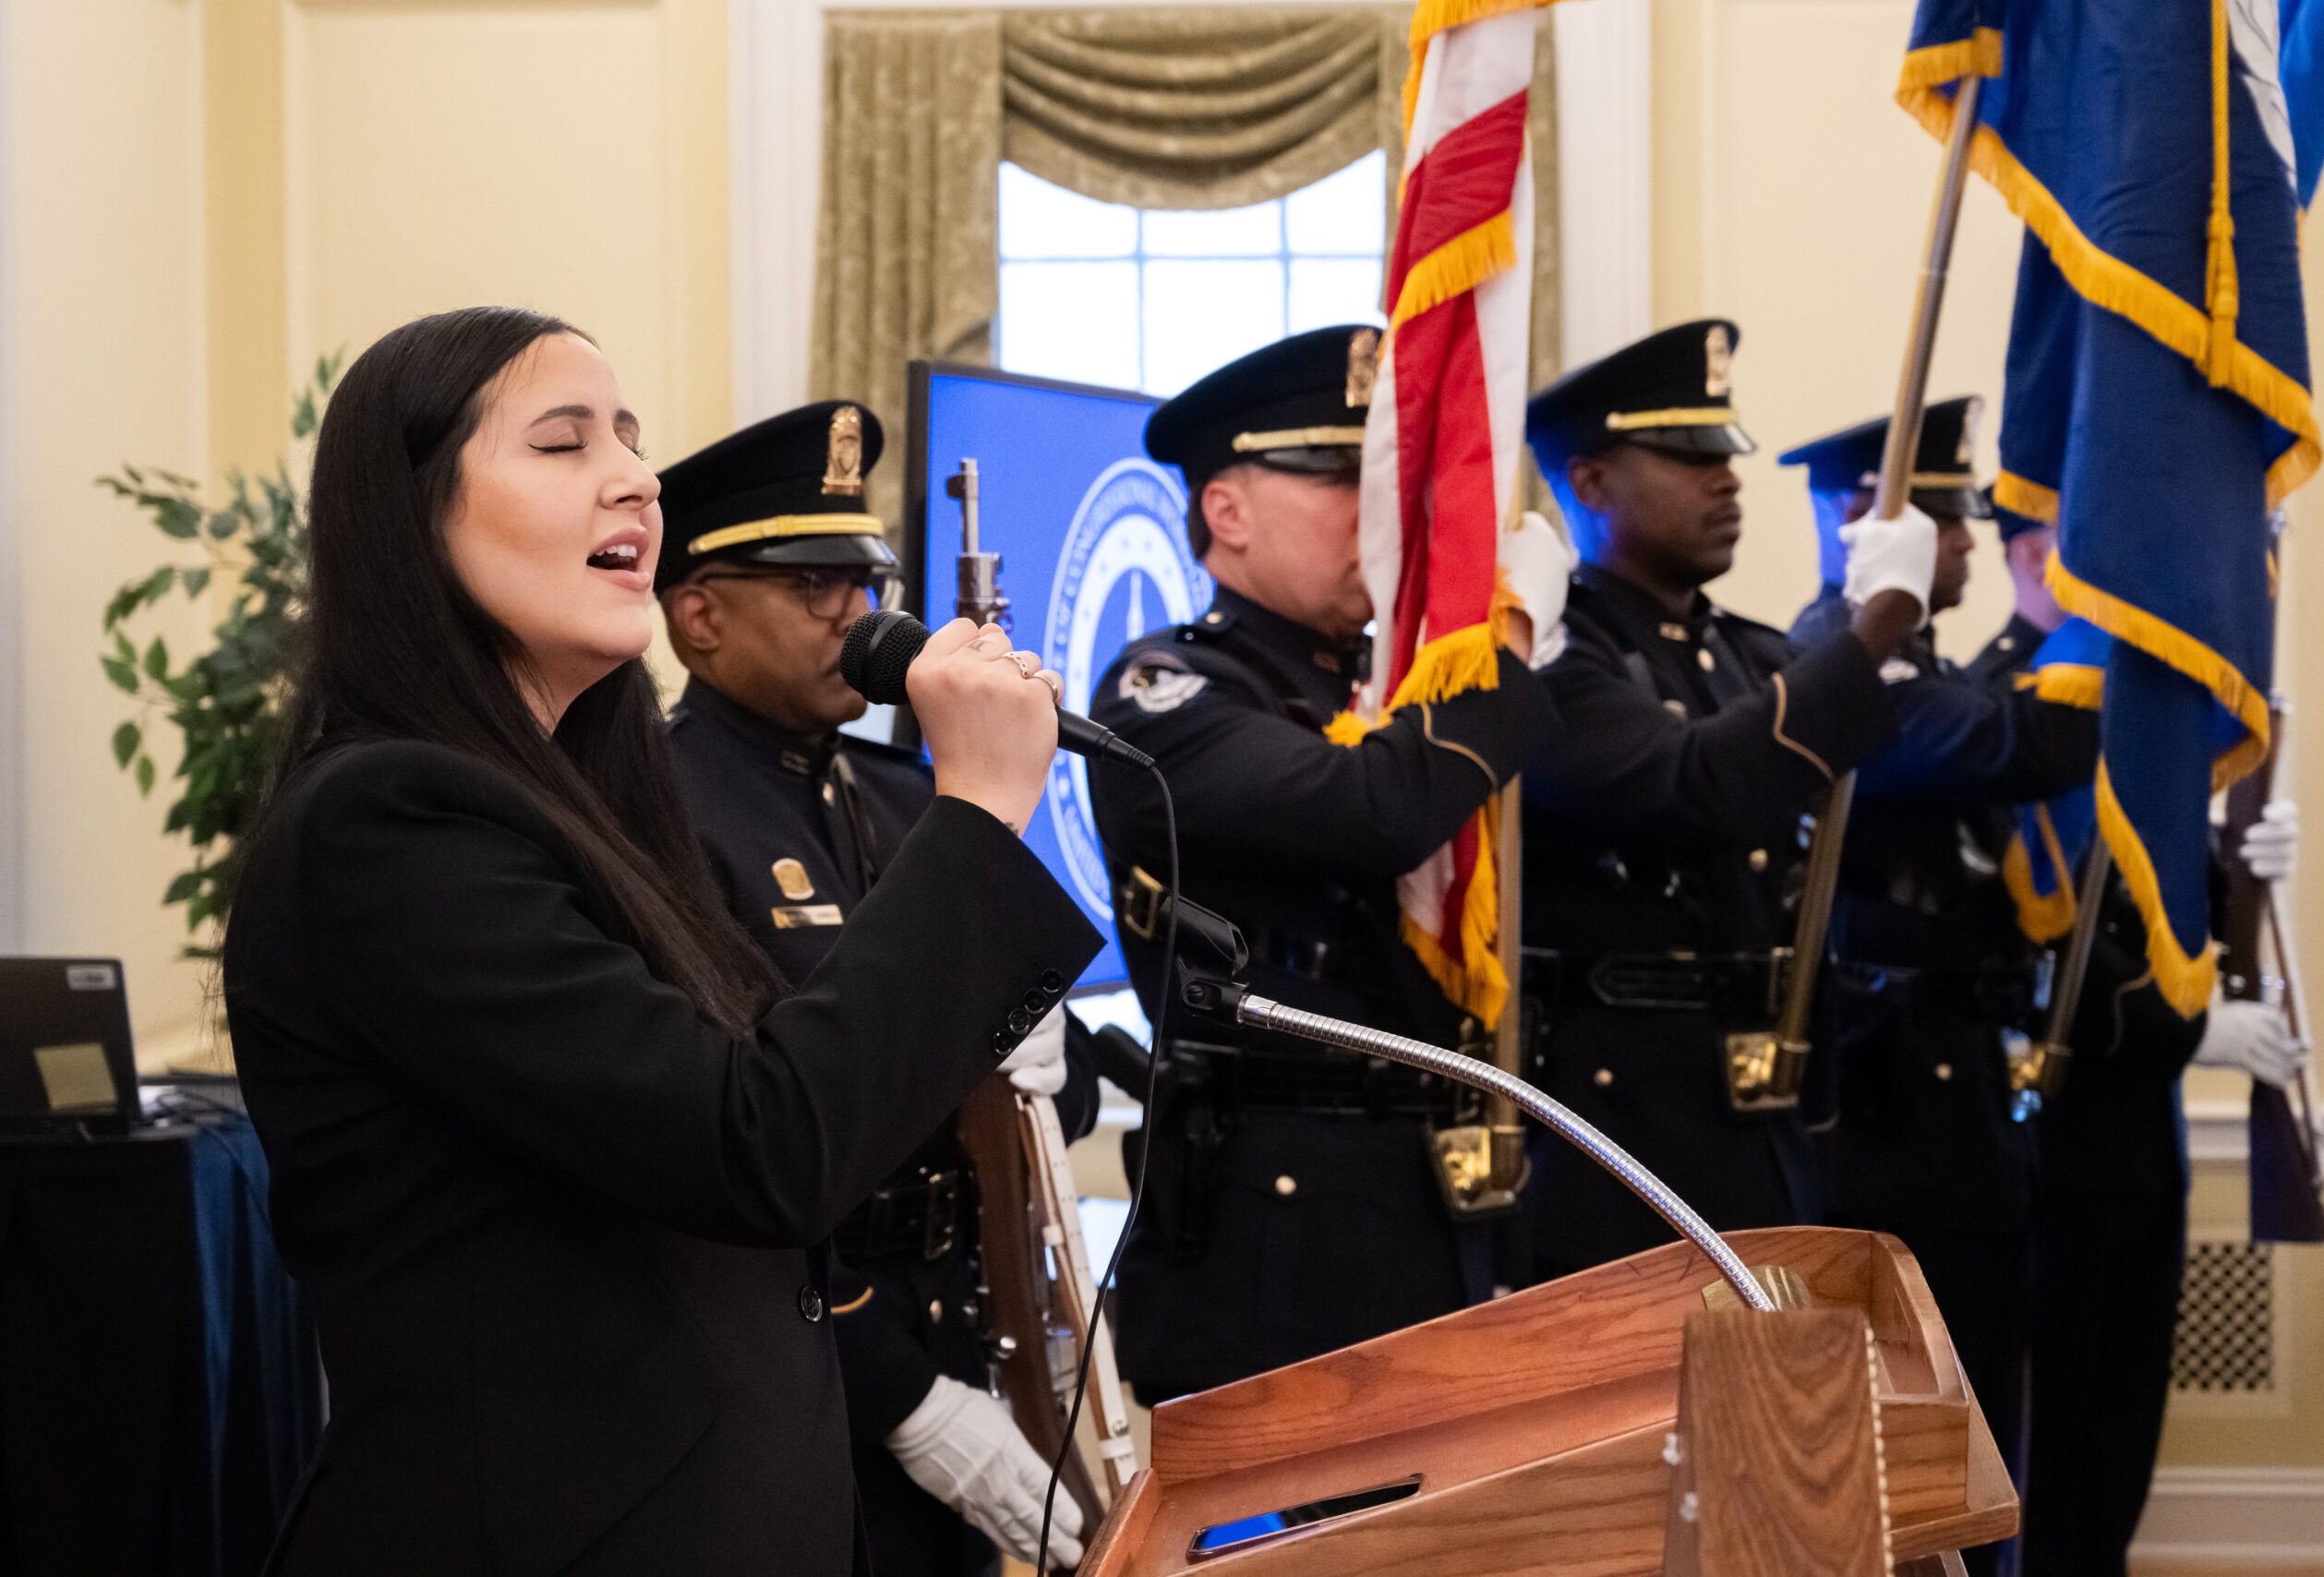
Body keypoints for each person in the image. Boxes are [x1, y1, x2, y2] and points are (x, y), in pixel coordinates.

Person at [223, 307, 1104, 1576]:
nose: (634, 475)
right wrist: (972, 816)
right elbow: (761, 1148)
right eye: (564, 442)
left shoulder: (579, 811)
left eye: (630, 438)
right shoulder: (390, 822)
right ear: (415, 516)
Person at [654, 400, 1097, 1575]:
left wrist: (1055, 1050)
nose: (858, 613)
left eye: (869, 579)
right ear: (697, 615)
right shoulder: (658, 815)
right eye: (811, 585)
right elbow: (714, 1154)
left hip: (955, 1305)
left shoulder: (914, 798)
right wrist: (898, 1393)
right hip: (799, 1348)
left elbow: (1044, 1090)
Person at [1085, 324, 1568, 1402]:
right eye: (1339, 477)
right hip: (1281, 1215)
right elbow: (1372, 810)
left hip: (1438, 1192)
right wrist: (1514, 633)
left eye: (1384, 478)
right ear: (1227, 511)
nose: (1382, 509)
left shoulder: (1389, 687)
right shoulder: (1161, 692)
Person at [1515, 319, 1933, 1282]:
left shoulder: (1748, 651)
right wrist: (1869, 629)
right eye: (1686, 454)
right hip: (1618, 1135)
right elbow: (1694, 786)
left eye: (1724, 452)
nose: (1726, 478)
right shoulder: (1554, 655)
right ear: (1588, 484)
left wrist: (1866, 624)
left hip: (1758, 1123)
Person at [1776, 404, 2099, 1576]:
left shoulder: (1926, 666)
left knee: (1970, 1415)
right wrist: (2118, 623)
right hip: (1884, 1106)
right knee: (1905, 1436)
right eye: (1944, 515)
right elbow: (2023, 750)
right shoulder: (1834, 670)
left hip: (1951, 1095)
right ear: (1863, 519)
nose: (1964, 540)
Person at [1971, 495, 2306, 1577]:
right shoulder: (2006, 707)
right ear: (2031, 554)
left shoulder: (2130, 702)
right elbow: (2039, 936)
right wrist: (2190, 1026)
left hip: (2139, 1147)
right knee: (2054, 1457)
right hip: (2050, 1144)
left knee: (2117, 1449)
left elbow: (2156, 894)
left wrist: (2231, 856)